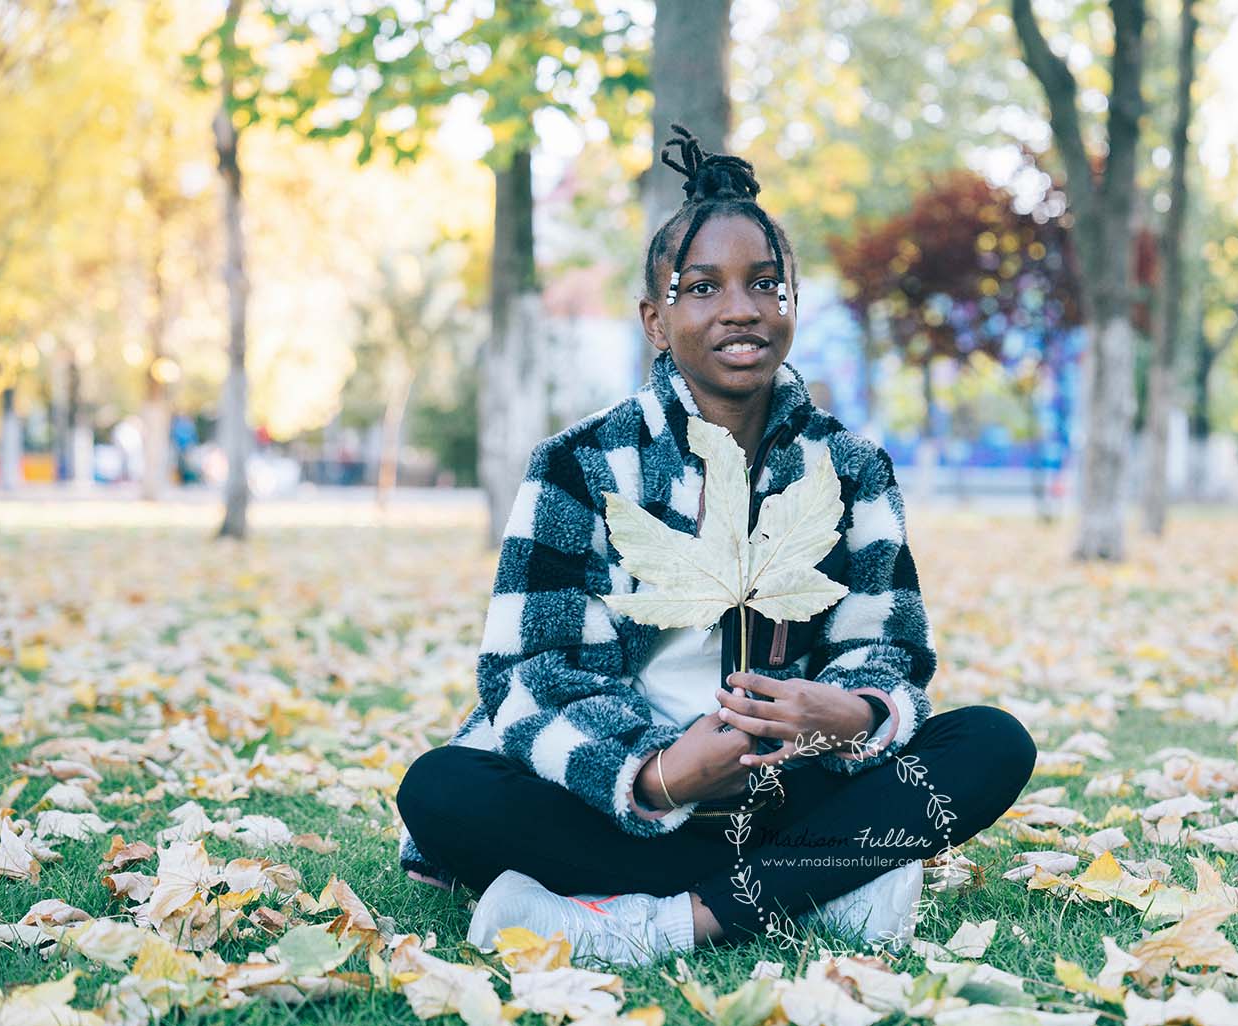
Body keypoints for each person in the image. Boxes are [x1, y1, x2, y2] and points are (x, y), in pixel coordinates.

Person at [395, 124, 1036, 968]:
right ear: (656, 320)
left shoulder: (849, 468)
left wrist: (849, 716)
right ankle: (818, 890)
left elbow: (889, 650)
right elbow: (527, 674)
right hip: (616, 791)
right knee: (440, 791)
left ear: (792, 305)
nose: (741, 308)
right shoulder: (579, 464)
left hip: (785, 787)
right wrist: (657, 774)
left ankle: (654, 923)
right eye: (703, 287)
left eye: (766, 284)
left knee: (993, 743)